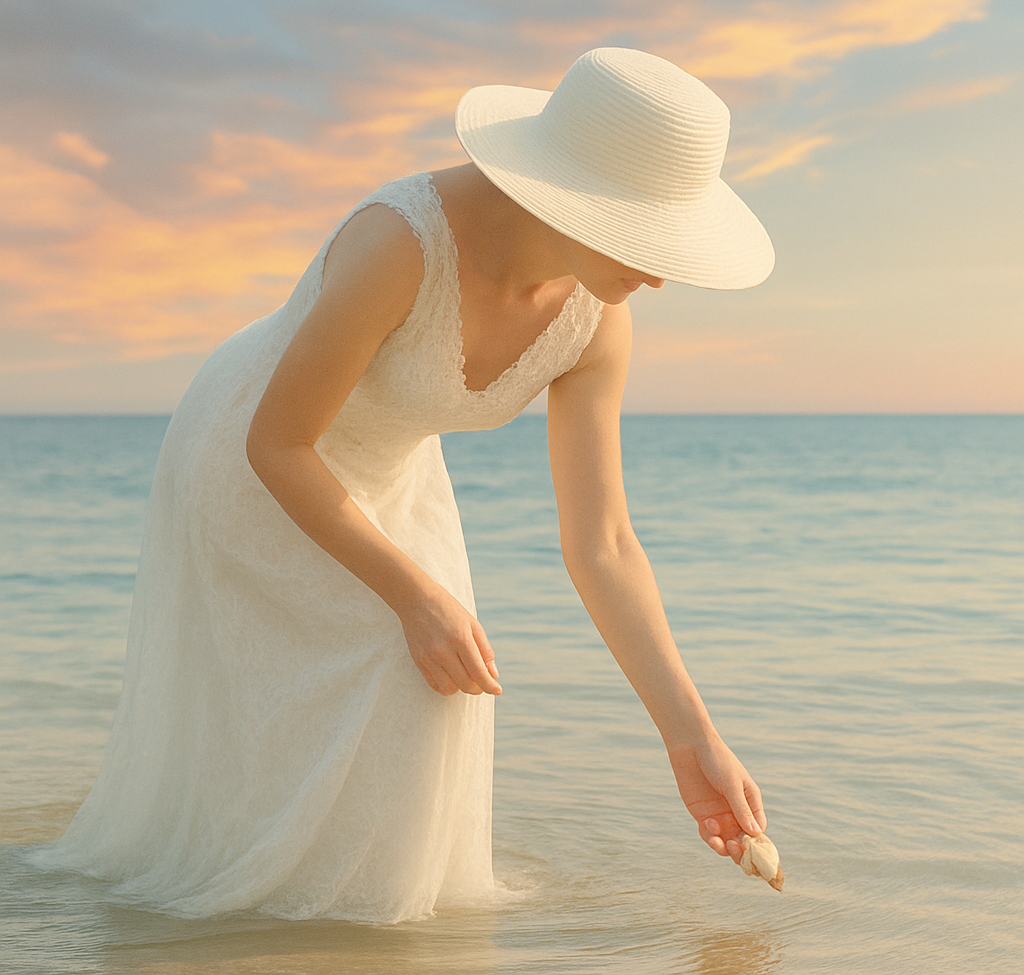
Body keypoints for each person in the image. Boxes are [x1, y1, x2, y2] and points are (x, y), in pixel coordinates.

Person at [29, 47, 775, 923]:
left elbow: (603, 541)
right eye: (646, 236)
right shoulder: (400, 244)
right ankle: (251, 931)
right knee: (345, 692)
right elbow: (277, 443)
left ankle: (358, 934)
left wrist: (692, 738)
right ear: (577, 196)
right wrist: (415, 597)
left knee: (442, 692)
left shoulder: (597, 324)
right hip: (250, 457)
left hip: (394, 478)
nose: (661, 270)